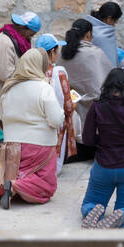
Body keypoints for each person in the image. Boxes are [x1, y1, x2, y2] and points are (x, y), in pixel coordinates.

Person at [0, 48, 63, 208]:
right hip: (39, 147)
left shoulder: (8, 89)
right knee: (45, 184)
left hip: (12, 145)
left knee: (16, 173)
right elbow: (56, 120)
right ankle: (13, 186)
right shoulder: (43, 88)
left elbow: (0, 118)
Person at [80, 68, 124, 229]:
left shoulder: (97, 106)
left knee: (90, 202)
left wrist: (103, 140)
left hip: (104, 165)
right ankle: (122, 214)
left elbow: (87, 139)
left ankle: (93, 210)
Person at [60, 18, 114, 161]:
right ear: (89, 34)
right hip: (93, 111)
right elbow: (110, 79)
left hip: (70, 110)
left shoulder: (61, 53)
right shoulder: (95, 54)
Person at [0, 10, 42, 133]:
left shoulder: (13, 40)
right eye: (31, 34)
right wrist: (29, 77)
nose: (30, 37)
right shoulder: (4, 43)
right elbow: (5, 75)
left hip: (1, 101)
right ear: (24, 28)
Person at [35, 32, 77, 177]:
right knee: (55, 160)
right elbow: (67, 104)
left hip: (38, 121)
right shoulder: (59, 72)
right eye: (57, 50)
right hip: (57, 122)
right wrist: (74, 105)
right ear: (52, 51)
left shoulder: (32, 71)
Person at [86, 1, 123, 66]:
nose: (114, 24)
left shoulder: (89, 27)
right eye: (115, 21)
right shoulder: (105, 34)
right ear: (109, 19)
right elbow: (110, 61)